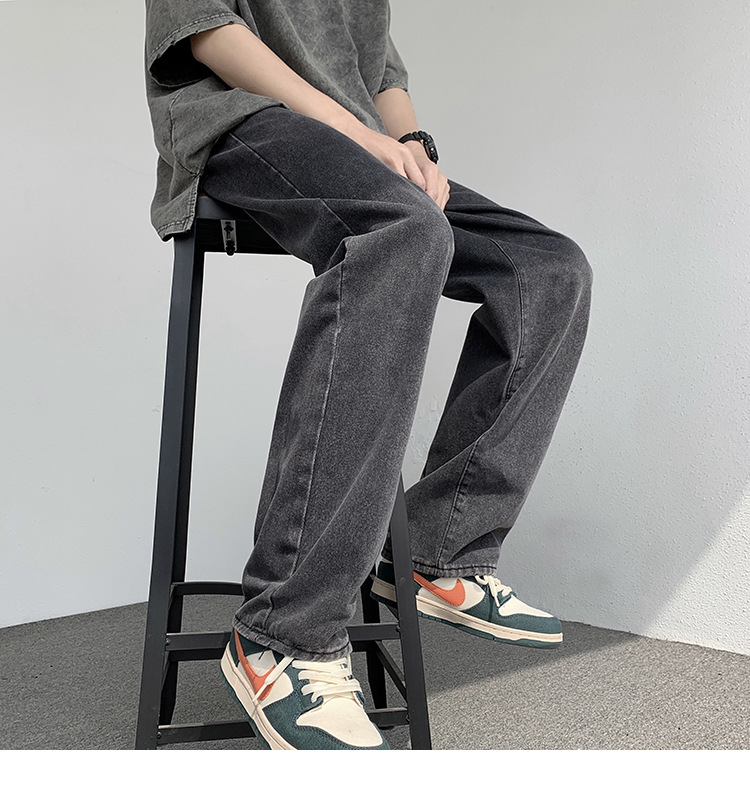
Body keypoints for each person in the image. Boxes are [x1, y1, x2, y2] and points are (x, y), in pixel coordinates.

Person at [144, 0, 592, 750]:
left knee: (548, 269)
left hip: (357, 144)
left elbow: (381, 69)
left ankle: (441, 548)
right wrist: (357, 134)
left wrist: (410, 146)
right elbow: (210, 34)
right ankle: (282, 635)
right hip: (240, 120)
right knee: (404, 231)